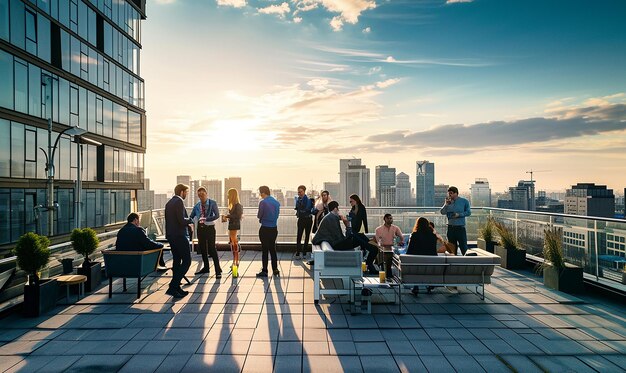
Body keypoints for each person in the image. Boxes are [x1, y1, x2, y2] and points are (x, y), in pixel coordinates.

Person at [164, 183, 194, 298]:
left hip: (171, 236)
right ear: (181, 192)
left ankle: (176, 288)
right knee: (187, 261)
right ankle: (173, 286)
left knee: (177, 261)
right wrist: (190, 220)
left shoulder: (169, 202)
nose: (186, 194)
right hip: (180, 236)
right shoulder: (179, 201)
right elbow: (181, 220)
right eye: (186, 192)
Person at [189, 187, 222, 278]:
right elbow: (191, 216)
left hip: (210, 228)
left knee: (212, 248)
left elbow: (217, 215)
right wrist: (190, 222)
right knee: (202, 248)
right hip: (200, 228)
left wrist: (206, 218)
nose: (201, 197)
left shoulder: (212, 203)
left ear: (206, 194)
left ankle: (218, 270)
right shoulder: (197, 206)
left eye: (202, 194)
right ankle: (206, 268)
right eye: (199, 195)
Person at [406, 217, 441, 295]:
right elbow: (434, 251)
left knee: (416, 266)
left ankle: (416, 287)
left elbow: (410, 251)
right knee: (425, 267)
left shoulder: (415, 235)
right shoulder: (433, 236)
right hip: (431, 262)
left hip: (418, 262)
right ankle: (430, 284)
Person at [348, 194, 378, 274]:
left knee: (370, 248)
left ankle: (369, 265)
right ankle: (368, 266)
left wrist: (367, 230)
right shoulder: (353, 209)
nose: (350, 203)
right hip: (354, 233)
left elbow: (364, 219)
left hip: (359, 232)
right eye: (349, 201)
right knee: (367, 248)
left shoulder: (361, 208)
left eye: (351, 201)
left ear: (356, 200)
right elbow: (351, 220)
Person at [257, 185, 280, 277]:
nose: (260, 195)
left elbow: (259, 215)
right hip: (274, 228)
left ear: (263, 193)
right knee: (273, 249)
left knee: (265, 250)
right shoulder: (276, 202)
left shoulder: (263, 203)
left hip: (265, 228)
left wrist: (261, 218)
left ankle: (265, 270)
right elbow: (277, 215)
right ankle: (275, 269)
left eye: (260, 193)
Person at [440, 186, 471, 255]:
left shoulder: (464, 201)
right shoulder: (448, 202)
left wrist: (459, 215)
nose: (449, 195)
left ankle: (466, 263)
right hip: (450, 228)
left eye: (451, 193)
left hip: (460, 228)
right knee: (452, 248)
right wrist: (446, 204)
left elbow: (468, 212)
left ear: (456, 193)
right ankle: (453, 264)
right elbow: (442, 212)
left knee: (463, 247)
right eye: (449, 193)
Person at [308, 190, 332, 265]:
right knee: (315, 241)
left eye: (325, 195)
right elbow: (313, 212)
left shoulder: (330, 204)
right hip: (317, 224)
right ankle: (315, 258)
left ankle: (323, 259)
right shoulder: (319, 204)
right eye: (323, 195)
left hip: (326, 227)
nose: (324, 197)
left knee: (324, 242)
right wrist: (315, 206)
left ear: (328, 196)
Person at [223, 188, 243, 275]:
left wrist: (227, 216)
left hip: (234, 226)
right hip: (232, 226)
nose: (227, 196)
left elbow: (237, 216)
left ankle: (236, 264)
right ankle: (235, 263)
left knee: (234, 245)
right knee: (233, 244)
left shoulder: (238, 205)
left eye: (228, 195)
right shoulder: (233, 205)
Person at [294, 185, 314, 260]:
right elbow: (298, 209)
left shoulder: (309, 200)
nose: (299, 193)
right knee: (299, 235)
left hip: (308, 219)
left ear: (304, 191)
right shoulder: (298, 199)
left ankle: (304, 252)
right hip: (301, 219)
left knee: (307, 236)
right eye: (298, 192)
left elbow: (306, 209)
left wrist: (300, 210)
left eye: (301, 192)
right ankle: (298, 252)